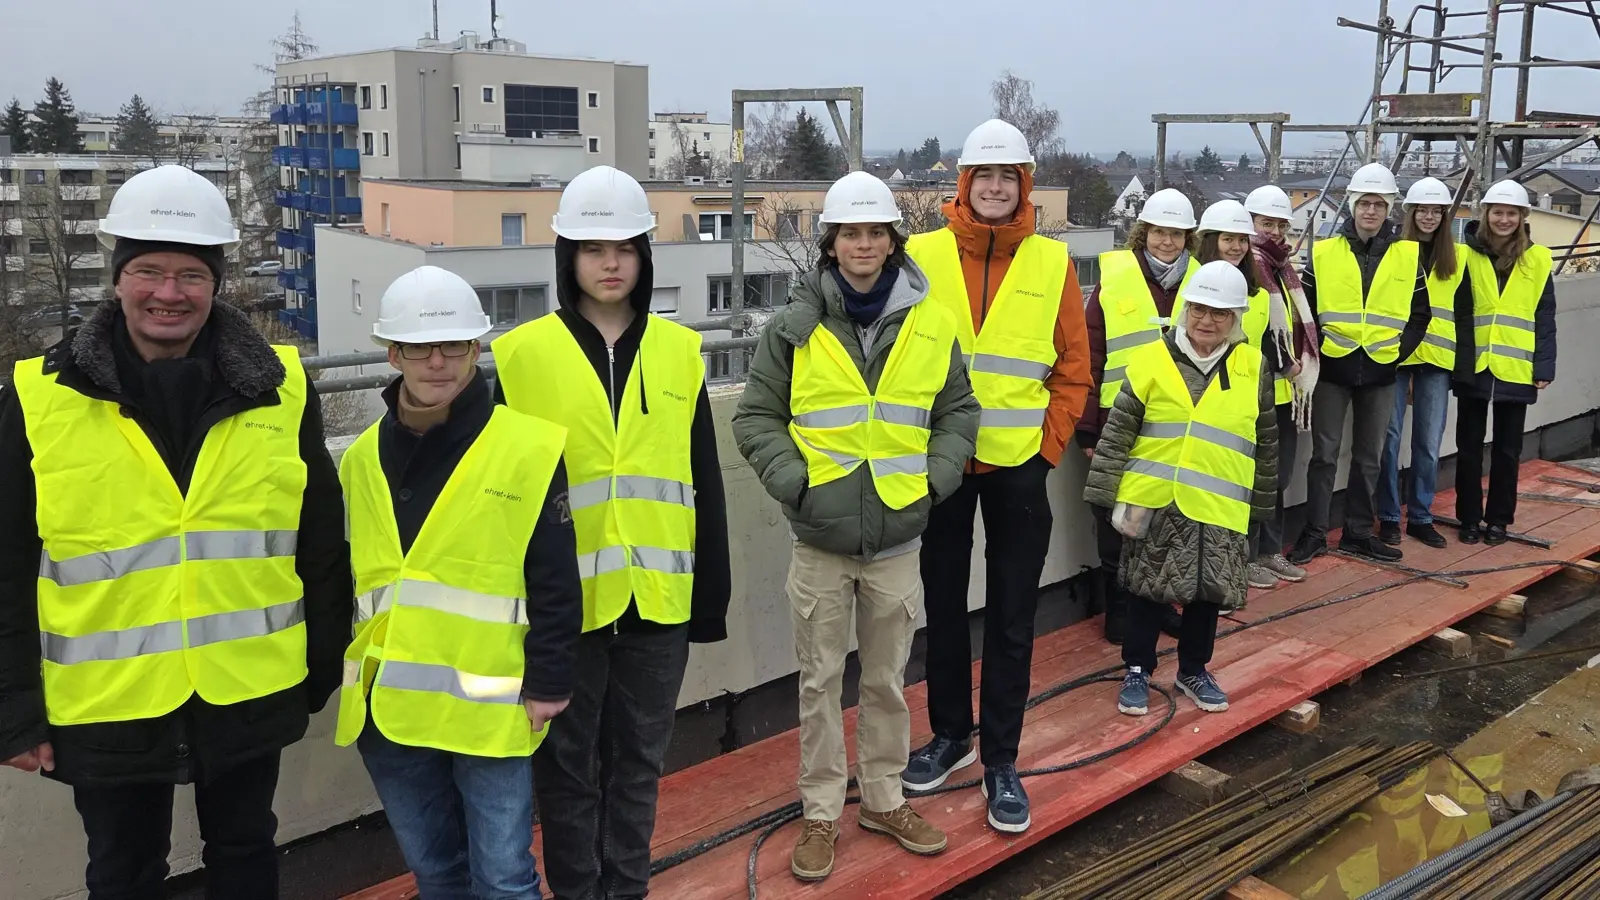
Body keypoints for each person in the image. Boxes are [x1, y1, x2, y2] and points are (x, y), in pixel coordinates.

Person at [0, 164, 352, 900]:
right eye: (148, 271)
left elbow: (318, 543)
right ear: (118, 279)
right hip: (109, 704)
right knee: (124, 873)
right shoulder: (38, 400)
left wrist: (320, 666)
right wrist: (14, 709)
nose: (169, 292)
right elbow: (6, 564)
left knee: (245, 853)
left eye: (191, 274)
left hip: (249, 687)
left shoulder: (280, 390)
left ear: (216, 283)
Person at [492, 164, 732, 900]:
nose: (609, 263)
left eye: (624, 248)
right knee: (566, 774)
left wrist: (709, 600)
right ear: (567, 257)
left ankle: (627, 890)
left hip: (657, 604)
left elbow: (702, 477)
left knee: (638, 768)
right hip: (564, 612)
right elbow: (501, 496)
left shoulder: (678, 351)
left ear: (643, 256)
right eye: (593, 249)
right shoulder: (521, 356)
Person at [732, 171, 979, 882]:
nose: (863, 244)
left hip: (897, 536)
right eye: (850, 233)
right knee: (818, 683)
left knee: (887, 680)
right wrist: (797, 484)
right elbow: (756, 416)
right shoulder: (794, 327)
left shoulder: (930, 322)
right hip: (820, 539)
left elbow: (958, 411)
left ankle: (883, 798)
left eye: (875, 232)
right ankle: (819, 813)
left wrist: (933, 480)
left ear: (892, 241)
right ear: (831, 243)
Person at [335, 266, 581, 900]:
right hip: (392, 706)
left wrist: (550, 679)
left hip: (488, 704)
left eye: (453, 346)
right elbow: (350, 577)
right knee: (437, 874)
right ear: (393, 354)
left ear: (476, 349)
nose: (437, 362)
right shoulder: (361, 458)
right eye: (420, 347)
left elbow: (555, 575)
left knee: (504, 878)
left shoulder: (527, 447)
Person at [900, 118, 1092, 833]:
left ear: (1023, 185)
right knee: (944, 606)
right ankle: (951, 735)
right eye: (983, 175)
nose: (993, 187)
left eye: (1007, 176)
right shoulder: (919, 255)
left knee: (1013, 616)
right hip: (942, 463)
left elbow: (1074, 368)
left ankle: (1002, 760)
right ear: (963, 182)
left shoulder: (1051, 261)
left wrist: (1047, 449)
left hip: (1018, 467)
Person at [1083, 261, 1278, 718]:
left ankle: (1193, 670)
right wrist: (1104, 495)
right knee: (1146, 590)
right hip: (1154, 498)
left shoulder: (1253, 367)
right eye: (1199, 310)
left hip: (1220, 502)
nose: (1206, 321)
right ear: (1185, 310)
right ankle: (1137, 669)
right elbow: (1119, 431)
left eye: (1219, 313)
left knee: (1208, 591)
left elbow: (1266, 441)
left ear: (1235, 319)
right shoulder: (1151, 358)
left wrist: (1261, 507)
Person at [1288, 162, 1431, 565]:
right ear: (1352, 205)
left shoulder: (1408, 256)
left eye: (1379, 204)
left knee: (1371, 457)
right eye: (1365, 203)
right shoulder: (1324, 253)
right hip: (1333, 368)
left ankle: (1357, 533)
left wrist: (1396, 353)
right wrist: (1318, 352)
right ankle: (1315, 533)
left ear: (1389, 208)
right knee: (1324, 456)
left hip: (1382, 370)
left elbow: (1420, 314)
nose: (1371, 210)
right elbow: (1305, 313)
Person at [1079, 187, 1200, 643]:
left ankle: (1158, 608)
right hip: (1117, 421)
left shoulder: (1203, 281)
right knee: (1114, 518)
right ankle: (1119, 612)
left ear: (1188, 238)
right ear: (1142, 232)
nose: (1166, 241)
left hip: (1178, 424)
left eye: (1176, 234)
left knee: (1168, 518)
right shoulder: (1115, 278)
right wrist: (1088, 430)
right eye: (1158, 232)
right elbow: (1091, 353)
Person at [1194, 199, 1294, 590]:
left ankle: (1264, 552)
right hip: (1215, 402)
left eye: (1241, 240)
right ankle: (1241, 559)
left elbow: (1268, 342)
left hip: (1259, 396)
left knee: (1269, 478)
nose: (1236, 247)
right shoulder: (1196, 284)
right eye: (1228, 239)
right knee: (1231, 483)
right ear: (1211, 240)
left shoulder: (1260, 290)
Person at [1451, 180, 1557, 545]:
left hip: (1516, 367)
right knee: (1468, 448)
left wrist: (1544, 367)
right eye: (1498, 212)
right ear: (1486, 214)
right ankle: (1468, 518)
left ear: (1523, 217)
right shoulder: (1467, 255)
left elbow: (1545, 317)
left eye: (1512, 213)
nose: (1504, 219)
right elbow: (1458, 312)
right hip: (1475, 366)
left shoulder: (1538, 260)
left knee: (1508, 451)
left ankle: (1498, 521)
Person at [1378, 177, 1463, 550]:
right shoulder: (1394, 252)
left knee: (1428, 444)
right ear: (1410, 213)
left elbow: (1464, 311)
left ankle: (1421, 518)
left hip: (1437, 361)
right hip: (1396, 356)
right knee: (1389, 440)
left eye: (1436, 211)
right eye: (1422, 210)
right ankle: (1389, 517)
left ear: (1444, 216)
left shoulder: (1457, 258)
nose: (1429, 217)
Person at [1242, 185, 1319, 585]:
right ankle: (1247, 556)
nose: (1273, 231)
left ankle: (1270, 551)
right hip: (1255, 392)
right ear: (1250, 222)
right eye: (1265, 223)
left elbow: (1291, 326)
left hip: (1286, 393)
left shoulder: (1282, 267)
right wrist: (1283, 363)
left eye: (1279, 224)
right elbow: (1247, 333)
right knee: (1254, 478)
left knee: (1278, 478)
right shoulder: (1246, 267)